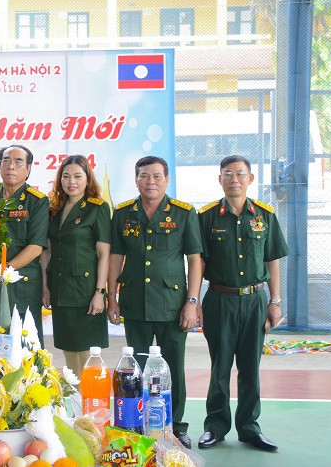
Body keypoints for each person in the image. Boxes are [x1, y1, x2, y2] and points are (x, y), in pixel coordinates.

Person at [107, 155, 203, 449]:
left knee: (173, 367)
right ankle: (134, 425)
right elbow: (115, 258)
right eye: (144, 176)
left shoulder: (184, 213)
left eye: (157, 176)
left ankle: (176, 426)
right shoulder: (123, 213)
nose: (151, 182)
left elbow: (195, 259)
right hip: (134, 303)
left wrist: (192, 302)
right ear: (136, 179)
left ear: (167, 179)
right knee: (132, 369)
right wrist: (112, 298)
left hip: (172, 305)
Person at [196, 155, 289, 452]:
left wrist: (275, 301)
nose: (234, 179)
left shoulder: (265, 215)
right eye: (228, 174)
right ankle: (215, 427)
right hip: (220, 300)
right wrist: (194, 301)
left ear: (250, 179)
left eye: (240, 174)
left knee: (251, 367)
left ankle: (249, 428)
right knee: (220, 367)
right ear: (219, 179)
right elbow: (197, 262)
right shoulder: (206, 217)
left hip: (255, 301)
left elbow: (272, 259)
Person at [41, 155, 111, 377]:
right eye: (66, 176)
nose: (72, 181)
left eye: (78, 176)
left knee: (88, 354)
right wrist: (45, 286)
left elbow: (104, 253)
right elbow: (47, 251)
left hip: (86, 290)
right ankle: (77, 407)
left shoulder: (96, 208)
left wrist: (100, 292)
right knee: (68, 351)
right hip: (60, 289)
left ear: (88, 179)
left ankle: (91, 408)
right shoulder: (55, 209)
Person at [0, 145, 49, 345]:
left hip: (22, 284)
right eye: (6, 161)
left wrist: (2, 271)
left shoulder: (37, 201)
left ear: (28, 170)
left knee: (26, 345)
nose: (11, 166)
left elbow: (36, 247)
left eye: (19, 162)